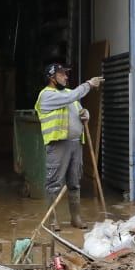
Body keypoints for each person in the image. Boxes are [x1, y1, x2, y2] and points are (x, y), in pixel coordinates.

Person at [36, 62, 102, 229]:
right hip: (58, 145)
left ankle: (76, 218)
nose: (66, 77)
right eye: (62, 74)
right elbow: (70, 98)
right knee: (54, 183)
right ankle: (52, 220)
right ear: (52, 77)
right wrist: (88, 84)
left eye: (66, 74)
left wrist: (85, 114)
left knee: (74, 182)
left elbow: (77, 108)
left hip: (75, 144)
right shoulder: (47, 95)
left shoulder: (68, 93)